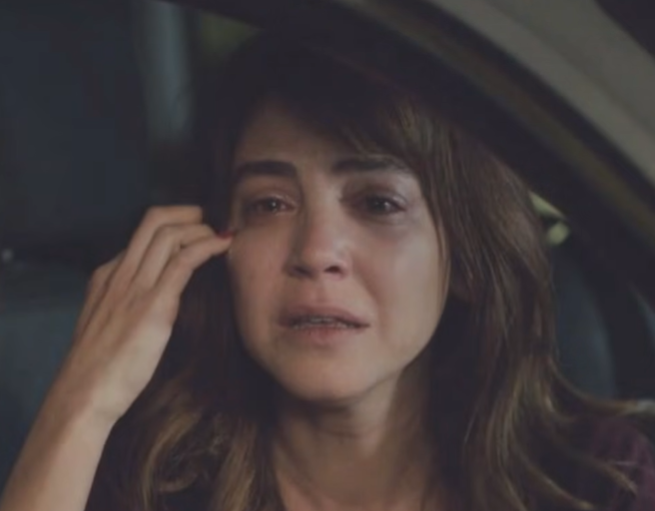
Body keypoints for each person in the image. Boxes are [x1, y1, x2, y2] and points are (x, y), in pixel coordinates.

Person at [1, 33, 655, 511]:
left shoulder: (597, 482)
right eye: (269, 204)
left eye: (378, 204)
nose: (316, 251)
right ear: (215, 246)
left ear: (461, 257)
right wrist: (82, 404)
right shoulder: (152, 484)